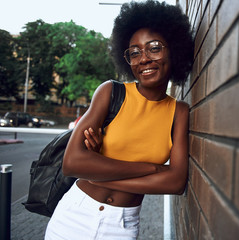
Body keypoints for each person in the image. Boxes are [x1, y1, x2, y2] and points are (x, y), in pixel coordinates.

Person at [44, 0, 193, 239]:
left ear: (174, 50)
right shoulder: (110, 93)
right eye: (134, 52)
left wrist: (97, 173)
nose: (143, 59)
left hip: (122, 226)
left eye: (154, 48)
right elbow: (71, 163)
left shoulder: (179, 112)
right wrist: (153, 169)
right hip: (73, 216)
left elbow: (175, 182)